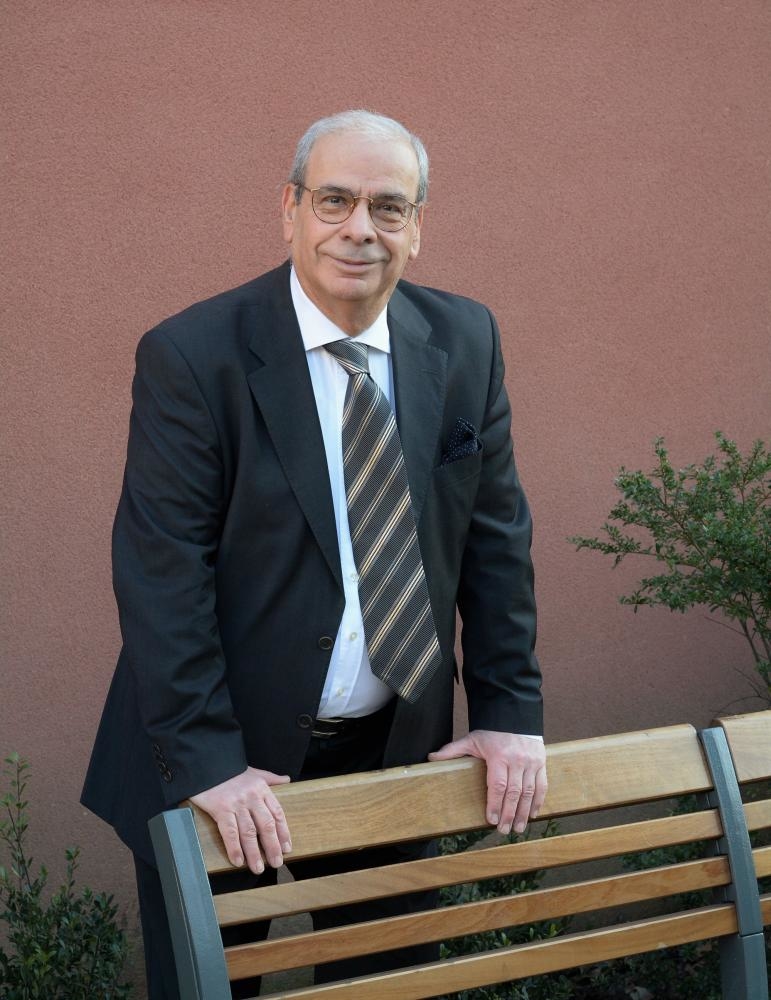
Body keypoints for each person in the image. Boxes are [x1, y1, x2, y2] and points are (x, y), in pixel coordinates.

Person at [82, 109, 546, 998]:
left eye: (387, 206)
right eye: (334, 201)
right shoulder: (194, 355)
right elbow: (162, 574)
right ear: (289, 210)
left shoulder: (464, 341)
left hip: (391, 754)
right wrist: (210, 766)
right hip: (226, 762)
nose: (359, 229)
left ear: (417, 226)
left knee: (385, 987)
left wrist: (506, 709)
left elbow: (495, 540)